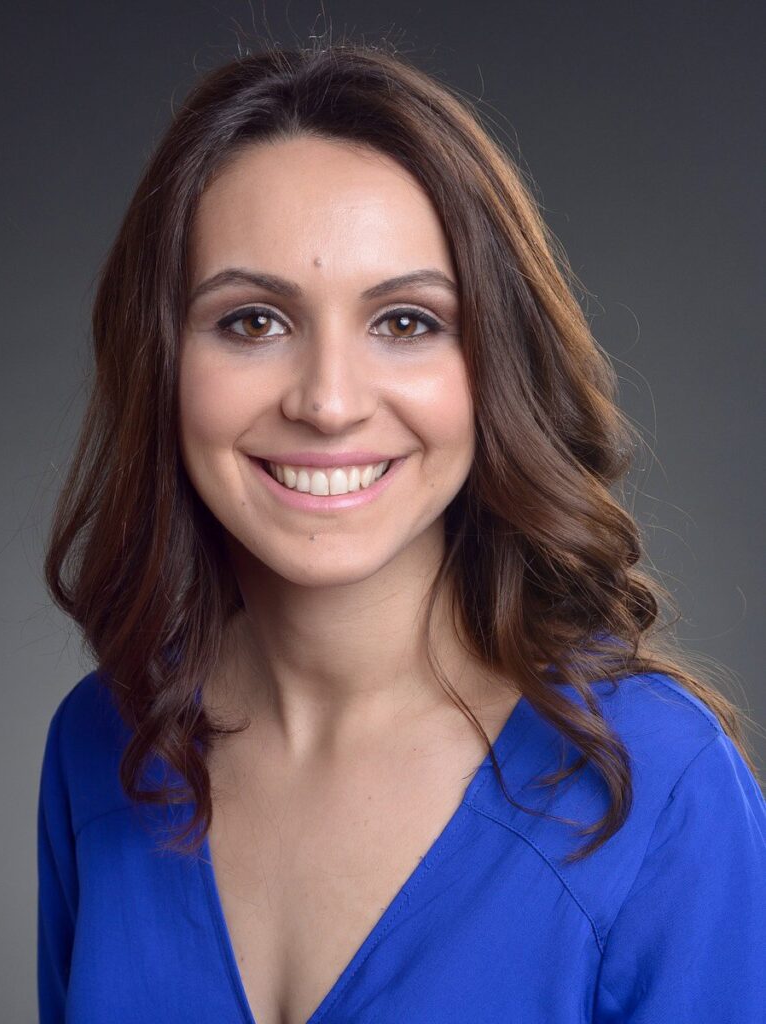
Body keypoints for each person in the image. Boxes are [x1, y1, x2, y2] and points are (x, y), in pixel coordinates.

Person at [37, 40, 765, 1024]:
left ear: (494, 364)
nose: (329, 402)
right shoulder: (104, 742)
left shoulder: (655, 786)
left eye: (407, 321)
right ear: (161, 361)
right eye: (253, 321)